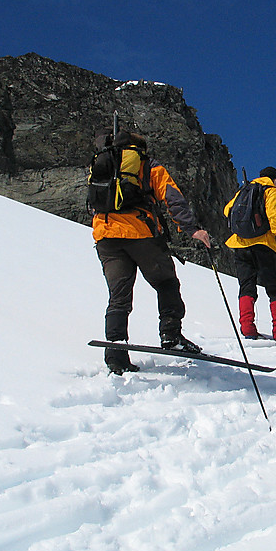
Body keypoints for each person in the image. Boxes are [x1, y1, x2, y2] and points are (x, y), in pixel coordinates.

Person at [93, 129, 211, 375]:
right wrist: (192, 229)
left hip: (105, 235)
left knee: (118, 296)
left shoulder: (103, 163)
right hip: (140, 233)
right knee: (166, 281)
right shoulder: (147, 166)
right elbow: (172, 197)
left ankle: (115, 352)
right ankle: (171, 335)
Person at [223, 166, 276, 345]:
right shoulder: (272, 191)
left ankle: (247, 328)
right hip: (264, 245)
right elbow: (274, 215)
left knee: (246, 285)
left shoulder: (245, 190)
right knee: (275, 289)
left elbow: (227, 211)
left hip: (239, 244)